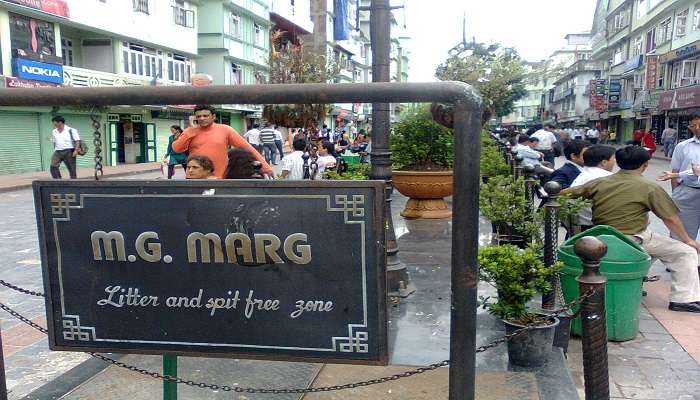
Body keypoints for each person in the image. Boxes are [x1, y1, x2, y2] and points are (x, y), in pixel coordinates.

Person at [565, 146, 700, 313]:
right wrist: (688, 240)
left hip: (602, 237)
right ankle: (684, 299)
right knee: (684, 252)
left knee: (653, 244)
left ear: (619, 163)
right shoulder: (649, 186)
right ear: (645, 165)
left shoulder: (599, 182)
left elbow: (564, 194)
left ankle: (636, 281)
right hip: (633, 239)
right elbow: (670, 218)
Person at [172, 105, 271, 178]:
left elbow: (247, 148)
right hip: (194, 176)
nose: (202, 118)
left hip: (218, 176)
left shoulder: (225, 130)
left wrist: (265, 167)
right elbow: (176, 148)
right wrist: (190, 132)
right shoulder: (190, 131)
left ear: (213, 116)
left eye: (205, 116)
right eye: (199, 116)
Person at [669, 115, 700, 251]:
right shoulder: (682, 146)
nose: (697, 129)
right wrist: (676, 192)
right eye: (694, 126)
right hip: (687, 193)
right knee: (681, 230)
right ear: (689, 127)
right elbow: (675, 171)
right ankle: (678, 262)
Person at [569, 145, 616, 230]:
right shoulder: (607, 177)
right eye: (613, 159)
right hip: (596, 226)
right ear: (604, 162)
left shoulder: (583, 174)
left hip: (579, 223)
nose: (615, 162)